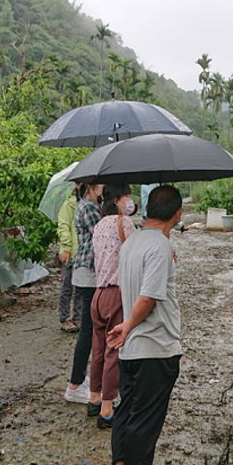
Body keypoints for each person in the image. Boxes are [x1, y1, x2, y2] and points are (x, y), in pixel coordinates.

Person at [106, 185, 183, 465]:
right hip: (154, 345)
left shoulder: (133, 240)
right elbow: (149, 297)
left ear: (147, 209)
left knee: (127, 413)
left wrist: (126, 329)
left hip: (132, 351)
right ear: (178, 215)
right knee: (146, 419)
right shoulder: (161, 245)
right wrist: (128, 325)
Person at [89, 184, 136, 429]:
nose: (131, 201)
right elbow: (138, 252)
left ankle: (94, 397)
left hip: (97, 294)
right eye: (127, 195)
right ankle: (107, 409)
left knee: (98, 349)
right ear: (118, 200)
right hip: (116, 293)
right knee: (113, 351)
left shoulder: (99, 225)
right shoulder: (124, 223)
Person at [64, 183, 103, 404]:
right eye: (100, 184)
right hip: (87, 273)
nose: (103, 187)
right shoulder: (87, 207)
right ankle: (75, 385)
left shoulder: (95, 205)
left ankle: (81, 380)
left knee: (91, 330)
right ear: (90, 186)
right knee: (88, 331)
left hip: (90, 273)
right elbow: (102, 232)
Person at [57, 187, 83, 332]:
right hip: (71, 251)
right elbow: (63, 226)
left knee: (80, 287)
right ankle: (64, 317)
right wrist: (66, 247)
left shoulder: (87, 204)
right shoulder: (68, 205)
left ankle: (77, 316)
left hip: (82, 252)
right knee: (67, 286)